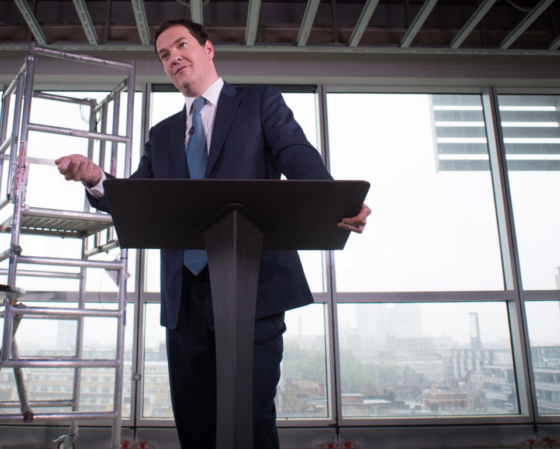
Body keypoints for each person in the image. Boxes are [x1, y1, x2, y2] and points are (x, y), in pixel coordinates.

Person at [56, 19, 371, 449]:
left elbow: (298, 157)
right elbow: (135, 198)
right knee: (195, 421)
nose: (173, 58)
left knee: (250, 417)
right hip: (185, 301)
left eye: (181, 45)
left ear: (208, 49)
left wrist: (335, 202)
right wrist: (96, 179)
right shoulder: (162, 134)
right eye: (164, 55)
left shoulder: (260, 104)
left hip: (252, 289)